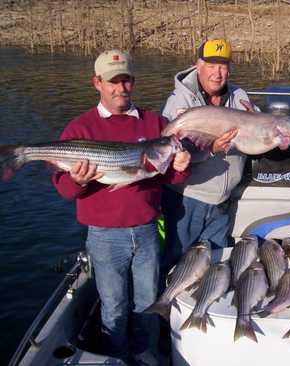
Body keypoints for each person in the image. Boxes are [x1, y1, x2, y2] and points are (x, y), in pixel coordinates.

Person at [52, 49, 190, 365]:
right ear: (97, 83)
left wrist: (181, 164)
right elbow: (63, 189)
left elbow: (171, 175)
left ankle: (147, 353)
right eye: (113, 82)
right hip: (103, 236)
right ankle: (116, 358)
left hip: (146, 231)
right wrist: (79, 180)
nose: (121, 88)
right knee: (113, 305)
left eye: (126, 80)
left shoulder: (155, 122)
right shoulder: (80, 128)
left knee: (148, 301)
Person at [160, 39, 256, 268]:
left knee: (215, 265)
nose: (217, 73)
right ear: (198, 65)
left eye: (223, 66)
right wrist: (211, 150)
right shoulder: (179, 102)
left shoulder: (239, 95)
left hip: (223, 201)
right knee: (175, 261)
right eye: (211, 65)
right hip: (187, 198)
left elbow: (256, 125)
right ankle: (163, 302)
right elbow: (171, 157)